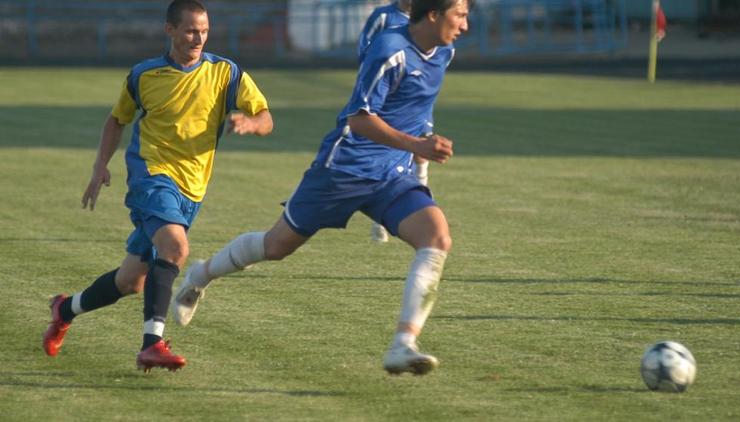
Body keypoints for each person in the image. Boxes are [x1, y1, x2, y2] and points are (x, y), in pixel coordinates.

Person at [172, 0, 470, 375]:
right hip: (344, 168)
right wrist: (416, 146)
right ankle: (201, 275)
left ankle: (402, 344)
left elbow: (418, 109)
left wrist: (420, 162)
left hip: (393, 173)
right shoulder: (389, 49)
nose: (465, 25)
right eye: (460, 15)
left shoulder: (444, 51)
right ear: (433, 14)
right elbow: (359, 119)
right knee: (276, 246)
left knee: (437, 238)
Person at [42, 0, 273, 372]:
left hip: (191, 190)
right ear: (170, 31)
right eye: (190, 30)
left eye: (205, 31)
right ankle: (152, 344)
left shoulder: (226, 73)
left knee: (131, 280)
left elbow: (265, 117)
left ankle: (64, 309)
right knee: (175, 246)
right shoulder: (144, 75)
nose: (199, 38)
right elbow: (116, 120)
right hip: (151, 176)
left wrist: (251, 123)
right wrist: (100, 164)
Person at [358, 0, 431, 243]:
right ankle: (380, 220)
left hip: (415, 95)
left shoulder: (423, 19)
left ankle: (423, 199)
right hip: (386, 97)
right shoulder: (383, 16)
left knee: (421, 148)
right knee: (384, 150)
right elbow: (364, 48)